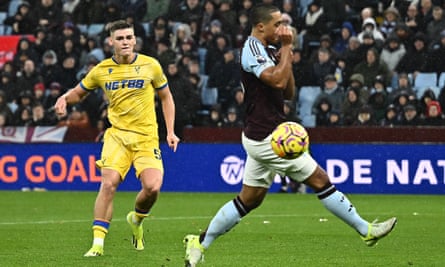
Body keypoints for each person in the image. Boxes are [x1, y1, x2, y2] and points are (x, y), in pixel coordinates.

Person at [183, 4, 397, 266]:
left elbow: (287, 91)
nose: (282, 29)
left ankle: (199, 243)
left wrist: (287, 52)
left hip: (264, 132)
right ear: (261, 26)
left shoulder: (271, 49)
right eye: (277, 24)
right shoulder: (251, 50)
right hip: (265, 137)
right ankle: (366, 231)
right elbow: (275, 80)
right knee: (320, 179)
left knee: (249, 200)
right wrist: (285, 49)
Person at [54, 20, 180, 257]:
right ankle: (97, 244)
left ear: (134, 40)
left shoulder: (150, 65)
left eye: (128, 38)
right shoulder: (101, 70)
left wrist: (170, 131)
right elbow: (79, 93)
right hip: (117, 137)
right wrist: (64, 99)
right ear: (110, 42)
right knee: (109, 183)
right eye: (120, 38)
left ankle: (136, 218)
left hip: (146, 138)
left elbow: (166, 97)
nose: (125, 42)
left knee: (152, 188)